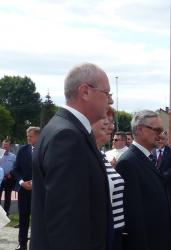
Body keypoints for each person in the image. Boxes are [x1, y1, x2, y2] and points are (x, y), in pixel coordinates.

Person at [31, 63, 114, 249]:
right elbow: (66, 219)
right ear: (84, 91)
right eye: (107, 94)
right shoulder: (67, 137)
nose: (110, 102)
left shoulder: (64, 129)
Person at [115, 110, 171, 249]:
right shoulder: (128, 162)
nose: (160, 134)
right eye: (157, 130)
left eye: (162, 130)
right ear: (140, 129)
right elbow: (133, 217)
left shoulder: (147, 158)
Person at [92, 109, 127, 249]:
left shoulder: (101, 155)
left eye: (112, 122)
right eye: (106, 122)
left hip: (116, 226)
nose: (111, 127)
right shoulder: (89, 156)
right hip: (101, 230)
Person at [11, 126, 39, 250]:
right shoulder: (23, 150)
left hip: (39, 191)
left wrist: (35, 182)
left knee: (38, 219)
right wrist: (22, 182)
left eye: (31, 136)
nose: (28, 138)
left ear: (38, 136)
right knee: (23, 218)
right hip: (24, 190)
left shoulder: (46, 149)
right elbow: (15, 169)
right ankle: (22, 244)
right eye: (27, 136)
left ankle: (36, 244)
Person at [0, 139, 16, 213]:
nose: (5, 147)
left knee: (8, 196)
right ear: (2, 146)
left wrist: (11, 174)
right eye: (4, 145)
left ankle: (6, 212)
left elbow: (15, 167)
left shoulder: (13, 156)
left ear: (9, 146)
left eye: (7, 146)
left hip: (8, 178)